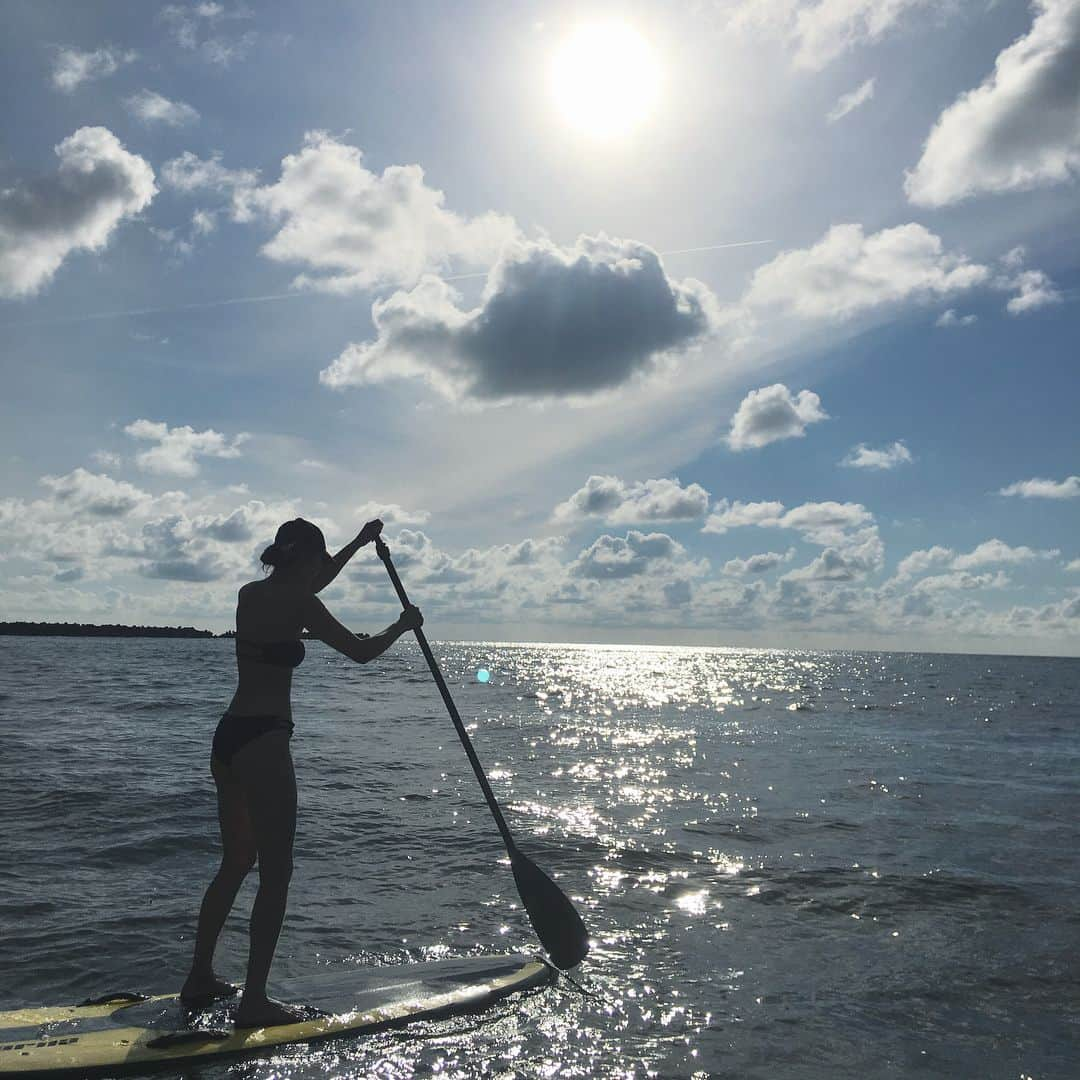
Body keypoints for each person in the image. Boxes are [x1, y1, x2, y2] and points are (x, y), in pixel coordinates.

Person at [180, 516, 423, 1027]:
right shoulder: (302, 603)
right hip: (265, 741)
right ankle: (255, 1003)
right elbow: (359, 653)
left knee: (235, 862)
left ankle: (198, 978)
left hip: (228, 738)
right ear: (307, 558)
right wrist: (400, 627)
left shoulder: (251, 594)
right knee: (277, 874)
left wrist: (357, 543)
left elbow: (311, 581)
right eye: (322, 556)